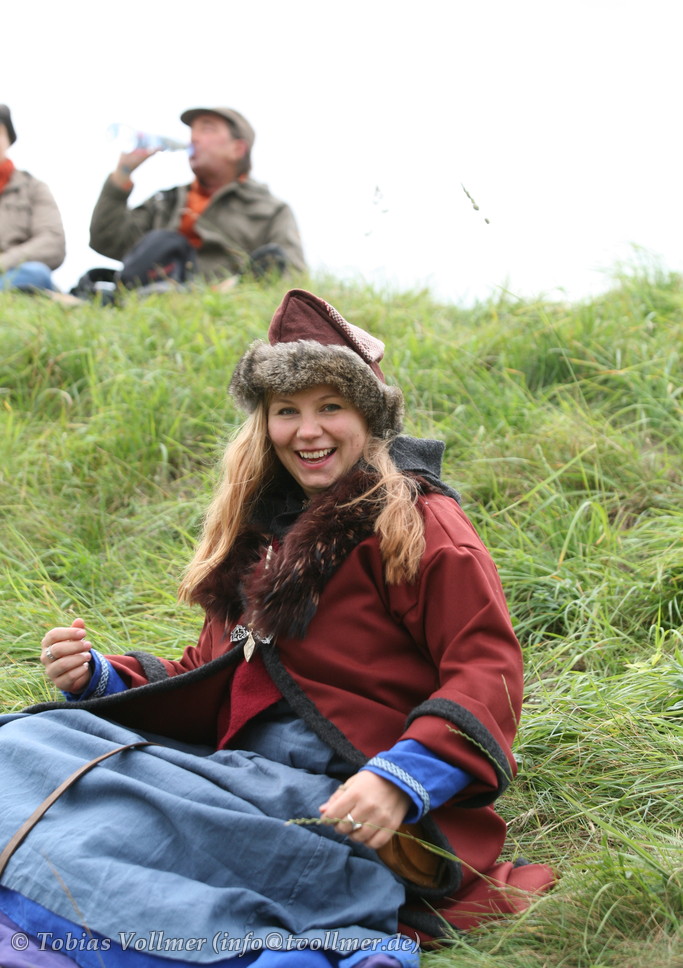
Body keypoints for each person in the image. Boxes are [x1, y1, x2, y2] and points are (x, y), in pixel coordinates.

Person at [0, 289, 554, 967]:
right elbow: (213, 673)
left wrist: (398, 779)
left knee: (111, 820)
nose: (307, 430)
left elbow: (486, 669)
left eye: (330, 407)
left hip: (346, 798)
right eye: (287, 410)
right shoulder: (259, 535)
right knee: (21, 741)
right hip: (237, 776)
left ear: (369, 416)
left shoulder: (417, 522)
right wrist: (98, 677)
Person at [85, 106, 306, 295]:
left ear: (237, 149)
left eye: (207, 129)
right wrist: (123, 172)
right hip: (149, 296)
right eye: (192, 131)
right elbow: (106, 240)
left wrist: (238, 288)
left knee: (271, 258)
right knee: (161, 243)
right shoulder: (166, 201)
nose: (193, 138)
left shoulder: (271, 210)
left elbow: (291, 276)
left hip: (222, 300)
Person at [0, 104, 66, 294]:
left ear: (8, 139)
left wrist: (4, 262)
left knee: (37, 274)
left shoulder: (33, 189)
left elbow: (52, 242)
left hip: (10, 274)